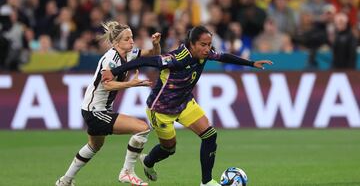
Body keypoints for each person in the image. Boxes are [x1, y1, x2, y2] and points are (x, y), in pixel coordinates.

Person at [102, 25, 273, 186]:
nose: (207, 49)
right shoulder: (177, 59)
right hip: (161, 109)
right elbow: (146, 61)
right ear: (192, 44)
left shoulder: (206, 54)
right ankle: (148, 161)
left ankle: (206, 182)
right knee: (169, 149)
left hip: (184, 103)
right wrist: (114, 71)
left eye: (209, 45)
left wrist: (251, 64)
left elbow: (224, 56)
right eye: (203, 45)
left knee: (210, 136)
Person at [55, 21, 162, 186]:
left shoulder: (129, 54)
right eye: (127, 39)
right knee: (142, 128)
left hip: (94, 109)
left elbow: (154, 57)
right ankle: (127, 172)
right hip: (96, 111)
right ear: (116, 42)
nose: (131, 41)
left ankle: (65, 180)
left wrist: (156, 45)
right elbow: (107, 84)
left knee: (94, 146)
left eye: (132, 37)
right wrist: (131, 84)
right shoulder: (111, 58)